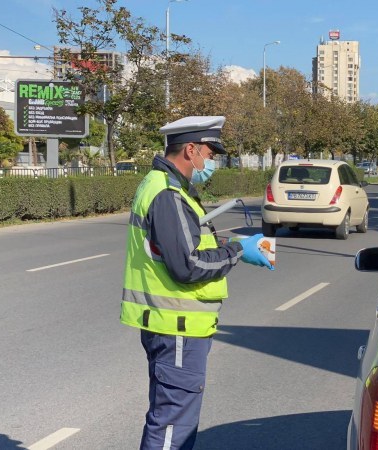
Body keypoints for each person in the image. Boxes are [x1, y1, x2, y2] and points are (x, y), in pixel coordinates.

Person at [120, 116, 273, 450]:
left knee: (171, 417)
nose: (212, 161)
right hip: (177, 325)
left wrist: (228, 249)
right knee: (173, 424)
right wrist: (237, 251)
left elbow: (183, 250)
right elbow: (188, 265)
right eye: (210, 152)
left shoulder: (164, 186)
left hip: (174, 323)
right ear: (190, 150)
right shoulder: (168, 194)